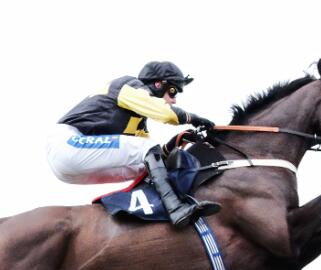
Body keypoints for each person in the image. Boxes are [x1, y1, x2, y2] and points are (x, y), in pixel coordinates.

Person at [49, 60, 222, 226]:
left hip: (73, 164)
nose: (174, 99)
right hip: (67, 143)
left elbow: (154, 156)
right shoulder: (128, 85)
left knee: (149, 164)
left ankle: (155, 208)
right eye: (173, 91)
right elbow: (164, 113)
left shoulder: (136, 122)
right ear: (158, 84)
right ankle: (175, 208)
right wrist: (193, 118)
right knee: (145, 149)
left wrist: (178, 140)